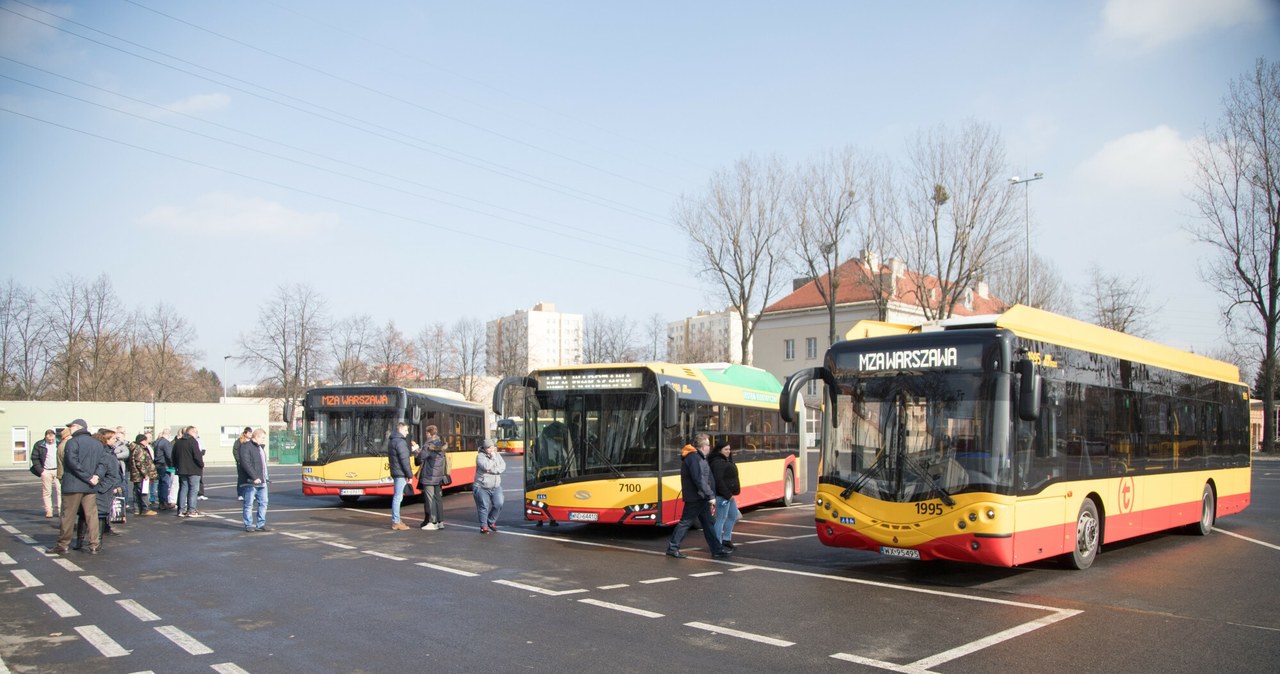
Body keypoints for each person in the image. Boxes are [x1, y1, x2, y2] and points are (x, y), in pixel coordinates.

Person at [666, 433, 730, 559]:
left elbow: (702, 478)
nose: (709, 447)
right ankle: (673, 548)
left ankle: (717, 549)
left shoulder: (697, 457)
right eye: (708, 444)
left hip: (700, 497)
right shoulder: (695, 458)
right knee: (686, 522)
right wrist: (710, 495)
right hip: (697, 497)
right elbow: (699, 479)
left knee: (708, 524)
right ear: (702, 446)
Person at [49, 419, 105, 555]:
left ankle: (63, 544)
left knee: (68, 516)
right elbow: (103, 462)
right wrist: (96, 476)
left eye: (71, 426)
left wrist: (87, 476)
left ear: (78, 427)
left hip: (73, 485)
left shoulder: (72, 442)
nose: (70, 429)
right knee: (91, 515)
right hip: (90, 486)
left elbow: (72, 462)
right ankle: (94, 544)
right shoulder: (97, 444)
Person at [77, 428, 124, 547]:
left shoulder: (107, 456)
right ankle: (88, 542)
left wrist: (100, 488)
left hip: (98, 490)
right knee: (89, 515)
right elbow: (113, 476)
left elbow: (112, 476)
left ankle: (92, 542)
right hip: (95, 489)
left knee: (97, 514)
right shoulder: (105, 455)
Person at [708, 439, 742, 550]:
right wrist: (728, 495)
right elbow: (718, 481)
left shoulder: (725, 460)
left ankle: (726, 540)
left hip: (728, 495)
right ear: (719, 450)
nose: (728, 451)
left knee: (733, 515)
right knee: (721, 518)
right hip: (723, 495)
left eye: (729, 449)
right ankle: (718, 543)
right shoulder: (718, 462)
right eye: (726, 449)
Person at [236, 428, 270, 532]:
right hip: (250, 482)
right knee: (248, 504)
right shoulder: (245, 447)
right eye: (263, 438)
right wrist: (254, 477)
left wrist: (265, 478)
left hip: (262, 482)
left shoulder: (260, 448)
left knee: (263, 503)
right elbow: (246, 464)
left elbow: (263, 465)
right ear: (257, 436)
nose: (264, 440)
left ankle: (260, 524)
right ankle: (248, 524)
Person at [416, 425, 448, 530]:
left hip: (429, 475)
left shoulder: (428, 445)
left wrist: (417, 451)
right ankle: (440, 522)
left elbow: (421, 457)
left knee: (430, 499)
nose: (426, 435)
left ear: (429, 433)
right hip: (438, 475)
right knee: (438, 499)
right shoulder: (441, 443)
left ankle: (432, 522)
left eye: (426, 433)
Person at [474, 438, 506, 534]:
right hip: (481, 486)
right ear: (484, 448)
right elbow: (486, 466)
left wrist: (494, 470)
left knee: (499, 503)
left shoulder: (497, 455)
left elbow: (503, 466)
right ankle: (484, 526)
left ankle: (491, 521)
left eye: (492, 447)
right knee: (484, 506)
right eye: (489, 448)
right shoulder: (480, 456)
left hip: (496, 486)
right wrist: (492, 458)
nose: (491, 450)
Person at [173, 426, 205, 518]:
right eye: (196, 432)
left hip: (181, 469)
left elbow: (173, 455)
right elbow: (197, 456)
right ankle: (191, 510)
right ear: (192, 432)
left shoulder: (178, 442)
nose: (197, 435)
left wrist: (176, 466)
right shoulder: (193, 442)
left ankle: (181, 510)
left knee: (183, 489)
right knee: (193, 490)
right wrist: (201, 464)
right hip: (193, 470)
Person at [387, 421, 412, 530]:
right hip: (401, 473)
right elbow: (404, 460)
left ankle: (396, 520)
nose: (407, 433)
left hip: (396, 472)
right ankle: (396, 521)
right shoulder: (401, 442)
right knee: (398, 497)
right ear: (401, 429)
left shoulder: (392, 441)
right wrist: (409, 475)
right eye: (406, 430)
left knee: (397, 496)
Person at [31, 429, 60, 518]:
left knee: (60, 491)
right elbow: (34, 458)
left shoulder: (59, 443)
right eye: (49, 440)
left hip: (58, 470)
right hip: (46, 471)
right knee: (47, 492)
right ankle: (48, 510)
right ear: (45, 437)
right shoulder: (39, 445)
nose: (51, 441)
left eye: (52, 439)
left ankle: (60, 510)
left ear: (55, 437)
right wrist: (41, 471)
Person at [128, 433, 158, 516]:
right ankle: (145, 509)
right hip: (140, 475)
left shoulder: (135, 448)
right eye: (146, 440)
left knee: (137, 491)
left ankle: (137, 509)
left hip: (136, 474)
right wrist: (145, 474)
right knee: (143, 491)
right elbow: (140, 463)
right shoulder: (139, 449)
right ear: (142, 441)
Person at [152, 428, 175, 510]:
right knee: (165, 483)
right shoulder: (166, 443)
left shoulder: (156, 442)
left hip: (157, 464)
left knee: (160, 484)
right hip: (164, 465)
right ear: (168, 434)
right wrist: (172, 464)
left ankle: (161, 502)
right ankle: (164, 502)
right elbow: (169, 455)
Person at [232, 426, 251, 501]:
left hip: (249, 463)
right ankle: (240, 494)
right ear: (245, 433)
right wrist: (239, 460)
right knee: (241, 478)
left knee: (249, 479)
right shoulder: (239, 441)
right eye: (249, 433)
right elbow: (235, 451)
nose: (250, 434)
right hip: (241, 464)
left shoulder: (250, 442)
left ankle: (249, 494)